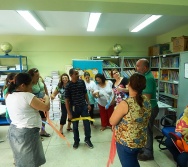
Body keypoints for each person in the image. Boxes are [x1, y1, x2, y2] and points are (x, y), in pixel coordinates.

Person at [5, 73, 50, 167]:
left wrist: (36, 102)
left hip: (15, 131)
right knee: (31, 162)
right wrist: (47, 98)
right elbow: (46, 107)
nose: (32, 87)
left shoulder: (9, 95)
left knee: (22, 160)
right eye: (30, 84)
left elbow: (23, 108)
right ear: (22, 85)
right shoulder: (27, 96)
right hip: (27, 134)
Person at [110, 73, 151, 167]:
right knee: (133, 161)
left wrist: (117, 111)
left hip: (127, 143)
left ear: (129, 85)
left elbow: (112, 121)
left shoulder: (126, 103)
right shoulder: (146, 99)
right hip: (141, 140)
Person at [136, 58, 159, 161]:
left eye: (137, 66)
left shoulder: (148, 78)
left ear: (144, 68)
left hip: (150, 108)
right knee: (144, 130)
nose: (136, 68)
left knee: (147, 130)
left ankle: (148, 153)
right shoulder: (145, 76)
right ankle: (144, 149)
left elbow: (147, 97)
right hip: (148, 108)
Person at [65, 68, 93, 149]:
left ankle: (87, 139)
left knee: (87, 124)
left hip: (84, 106)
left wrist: (88, 103)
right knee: (75, 126)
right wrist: (69, 113)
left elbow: (85, 94)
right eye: (76, 74)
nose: (78, 75)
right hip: (74, 109)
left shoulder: (81, 82)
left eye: (78, 73)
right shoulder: (68, 86)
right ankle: (76, 141)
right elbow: (66, 100)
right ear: (71, 75)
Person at [28, 68, 51, 138]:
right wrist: (38, 100)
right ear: (31, 76)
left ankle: (43, 131)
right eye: (36, 76)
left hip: (43, 101)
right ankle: (37, 134)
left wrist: (47, 96)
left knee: (44, 118)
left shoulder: (40, 79)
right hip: (36, 103)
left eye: (38, 75)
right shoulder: (29, 84)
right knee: (37, 118)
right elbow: (29, 95)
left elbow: (45, 87)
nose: (38, 77)